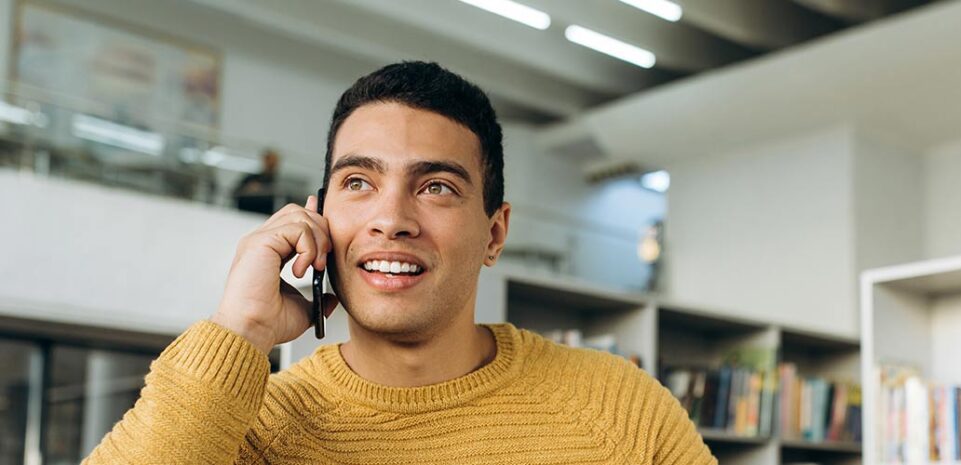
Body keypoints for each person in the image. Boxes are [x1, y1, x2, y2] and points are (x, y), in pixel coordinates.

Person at [83, 61, 716, 464]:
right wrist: (239, 331)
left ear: (495, 233)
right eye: (358, 182)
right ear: (318, 212)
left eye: (437, 186)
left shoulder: (617, 411)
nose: (392, 218)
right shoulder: (245, 431)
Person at [232, 149, 281, 214]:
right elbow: (234, 193)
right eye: (269, 160)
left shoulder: (278, 183)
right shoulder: (251, 178)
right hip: (245, 213)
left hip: (263, 217)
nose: (271, 164)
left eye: (273, 162)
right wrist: (247, 190)